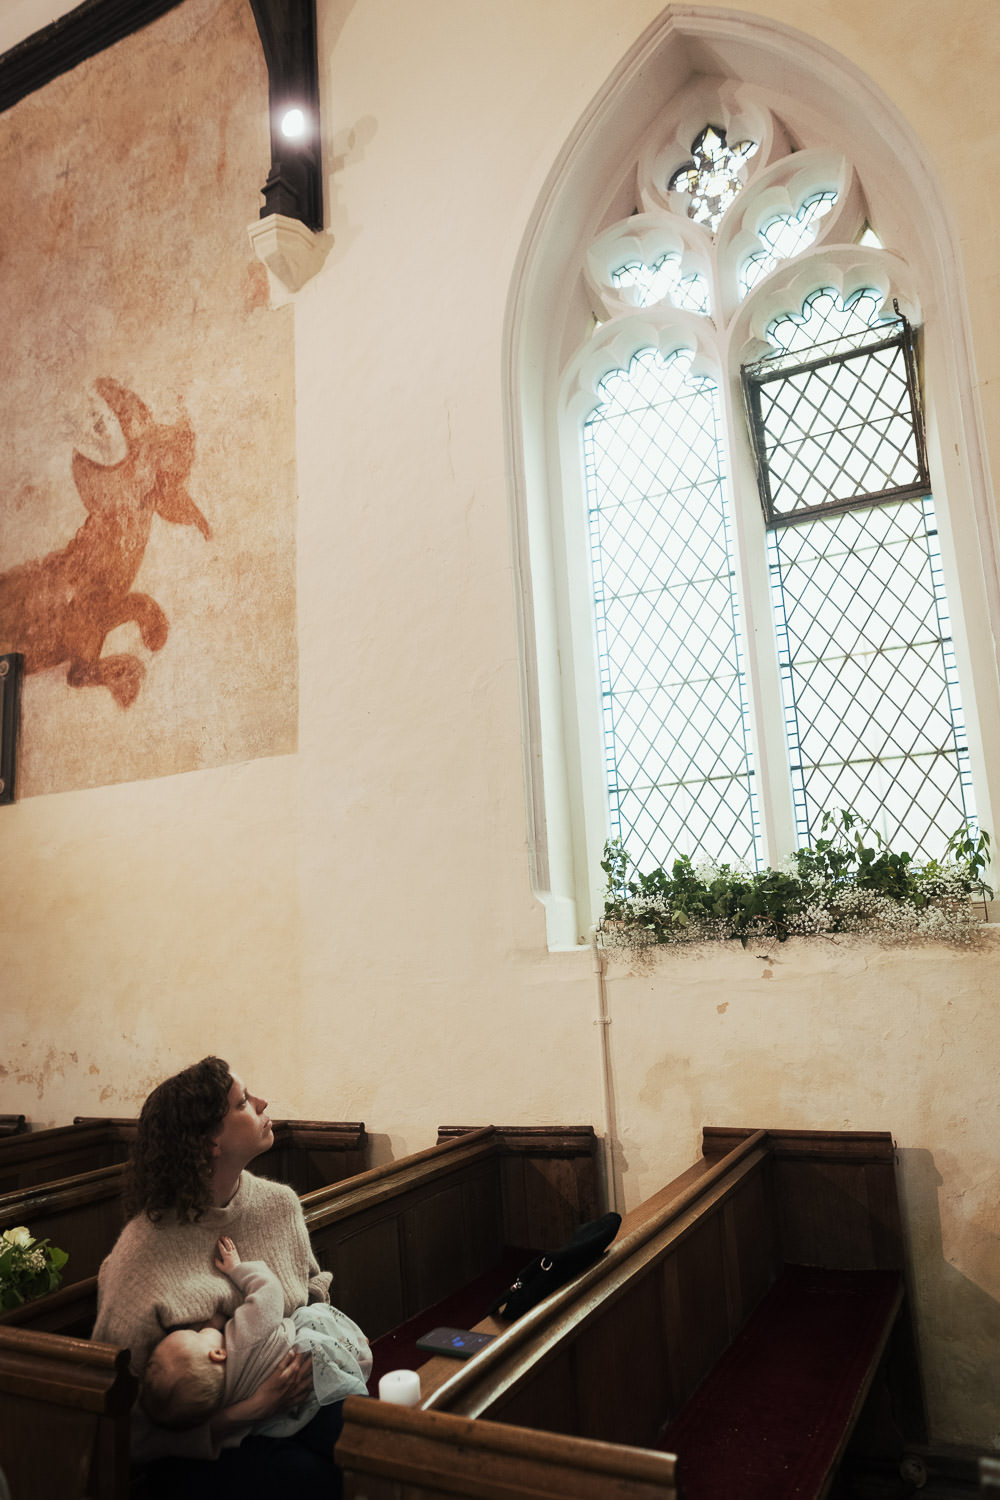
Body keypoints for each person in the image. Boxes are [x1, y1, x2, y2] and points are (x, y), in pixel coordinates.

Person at [92, 1056, 360, 1498]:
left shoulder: (278, 1205)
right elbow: (119, 1421)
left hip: (299, 1403)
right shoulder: (141, 1253)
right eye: (241, 1103)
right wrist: (253, 1409)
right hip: (205, 1449)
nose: (261, 1101)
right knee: (316, 1479)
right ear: (210, 1142)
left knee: (375, 1446)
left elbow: (313, 1298)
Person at [141, 1235, 371, 1434]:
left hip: (285, 1420)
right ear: (219, 1354)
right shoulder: (243, 1339)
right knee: (312, 1318)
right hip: (308, 1358)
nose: (202, 1328)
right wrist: (237, 1269)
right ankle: (356, 1350)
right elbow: (269, 1293)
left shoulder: (221, 1397)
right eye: (197, 1335)